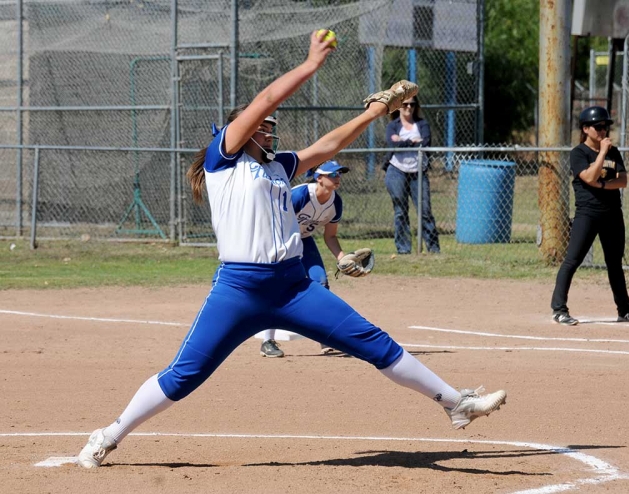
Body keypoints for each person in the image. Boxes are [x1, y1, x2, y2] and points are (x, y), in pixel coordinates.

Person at [77, 31, 507, 469]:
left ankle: (455, 403)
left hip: (293, 287)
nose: (269, 130)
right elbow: (264, 100)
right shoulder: (222, 158)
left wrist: (377, 112)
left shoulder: (278, 165)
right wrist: (311, 65)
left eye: (268, 128)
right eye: (261, 127)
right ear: (239, 129)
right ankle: (109, 434)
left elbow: (328, 146)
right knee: (185, 375)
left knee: (372, 342)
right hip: (238, 290)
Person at [551, 105, 629, 326]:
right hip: (587, 215)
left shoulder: (614, 151)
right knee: (572, 260)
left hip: (612, 214)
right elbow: (588, 176)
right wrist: (600, 154)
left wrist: (601, 183)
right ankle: (559, 310)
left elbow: (623, 181)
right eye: (599, 127)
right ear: (586, 128)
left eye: (605, 127)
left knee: (614, 263)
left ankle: (625, 310)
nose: (603, 131)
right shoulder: (579, 153)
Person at [259, 159, 351, 358]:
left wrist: (341, 257)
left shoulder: (336, 202)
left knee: (320, 283)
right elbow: (275, 222)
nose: (338, 178)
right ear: (319, 178)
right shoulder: (301, 195)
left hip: (303, 240)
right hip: (278, 238)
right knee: (277, 286)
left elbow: (330, 236)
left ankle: (325, 338)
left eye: (339, 174)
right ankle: (267, 341)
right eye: (333, 174)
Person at [384, 95, 440, 254]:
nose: (408, 107)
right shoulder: (392, 126)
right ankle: (403, 249)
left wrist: (403, 140)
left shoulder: (422, 124)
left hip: (418, 173)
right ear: (398, 107)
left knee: (425, 211)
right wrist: (412, 142)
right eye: (405, 104)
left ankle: (433, 249)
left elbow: (426, 142)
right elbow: (393, 143)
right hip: (397, 170)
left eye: (412, 104)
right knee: (400, 212)